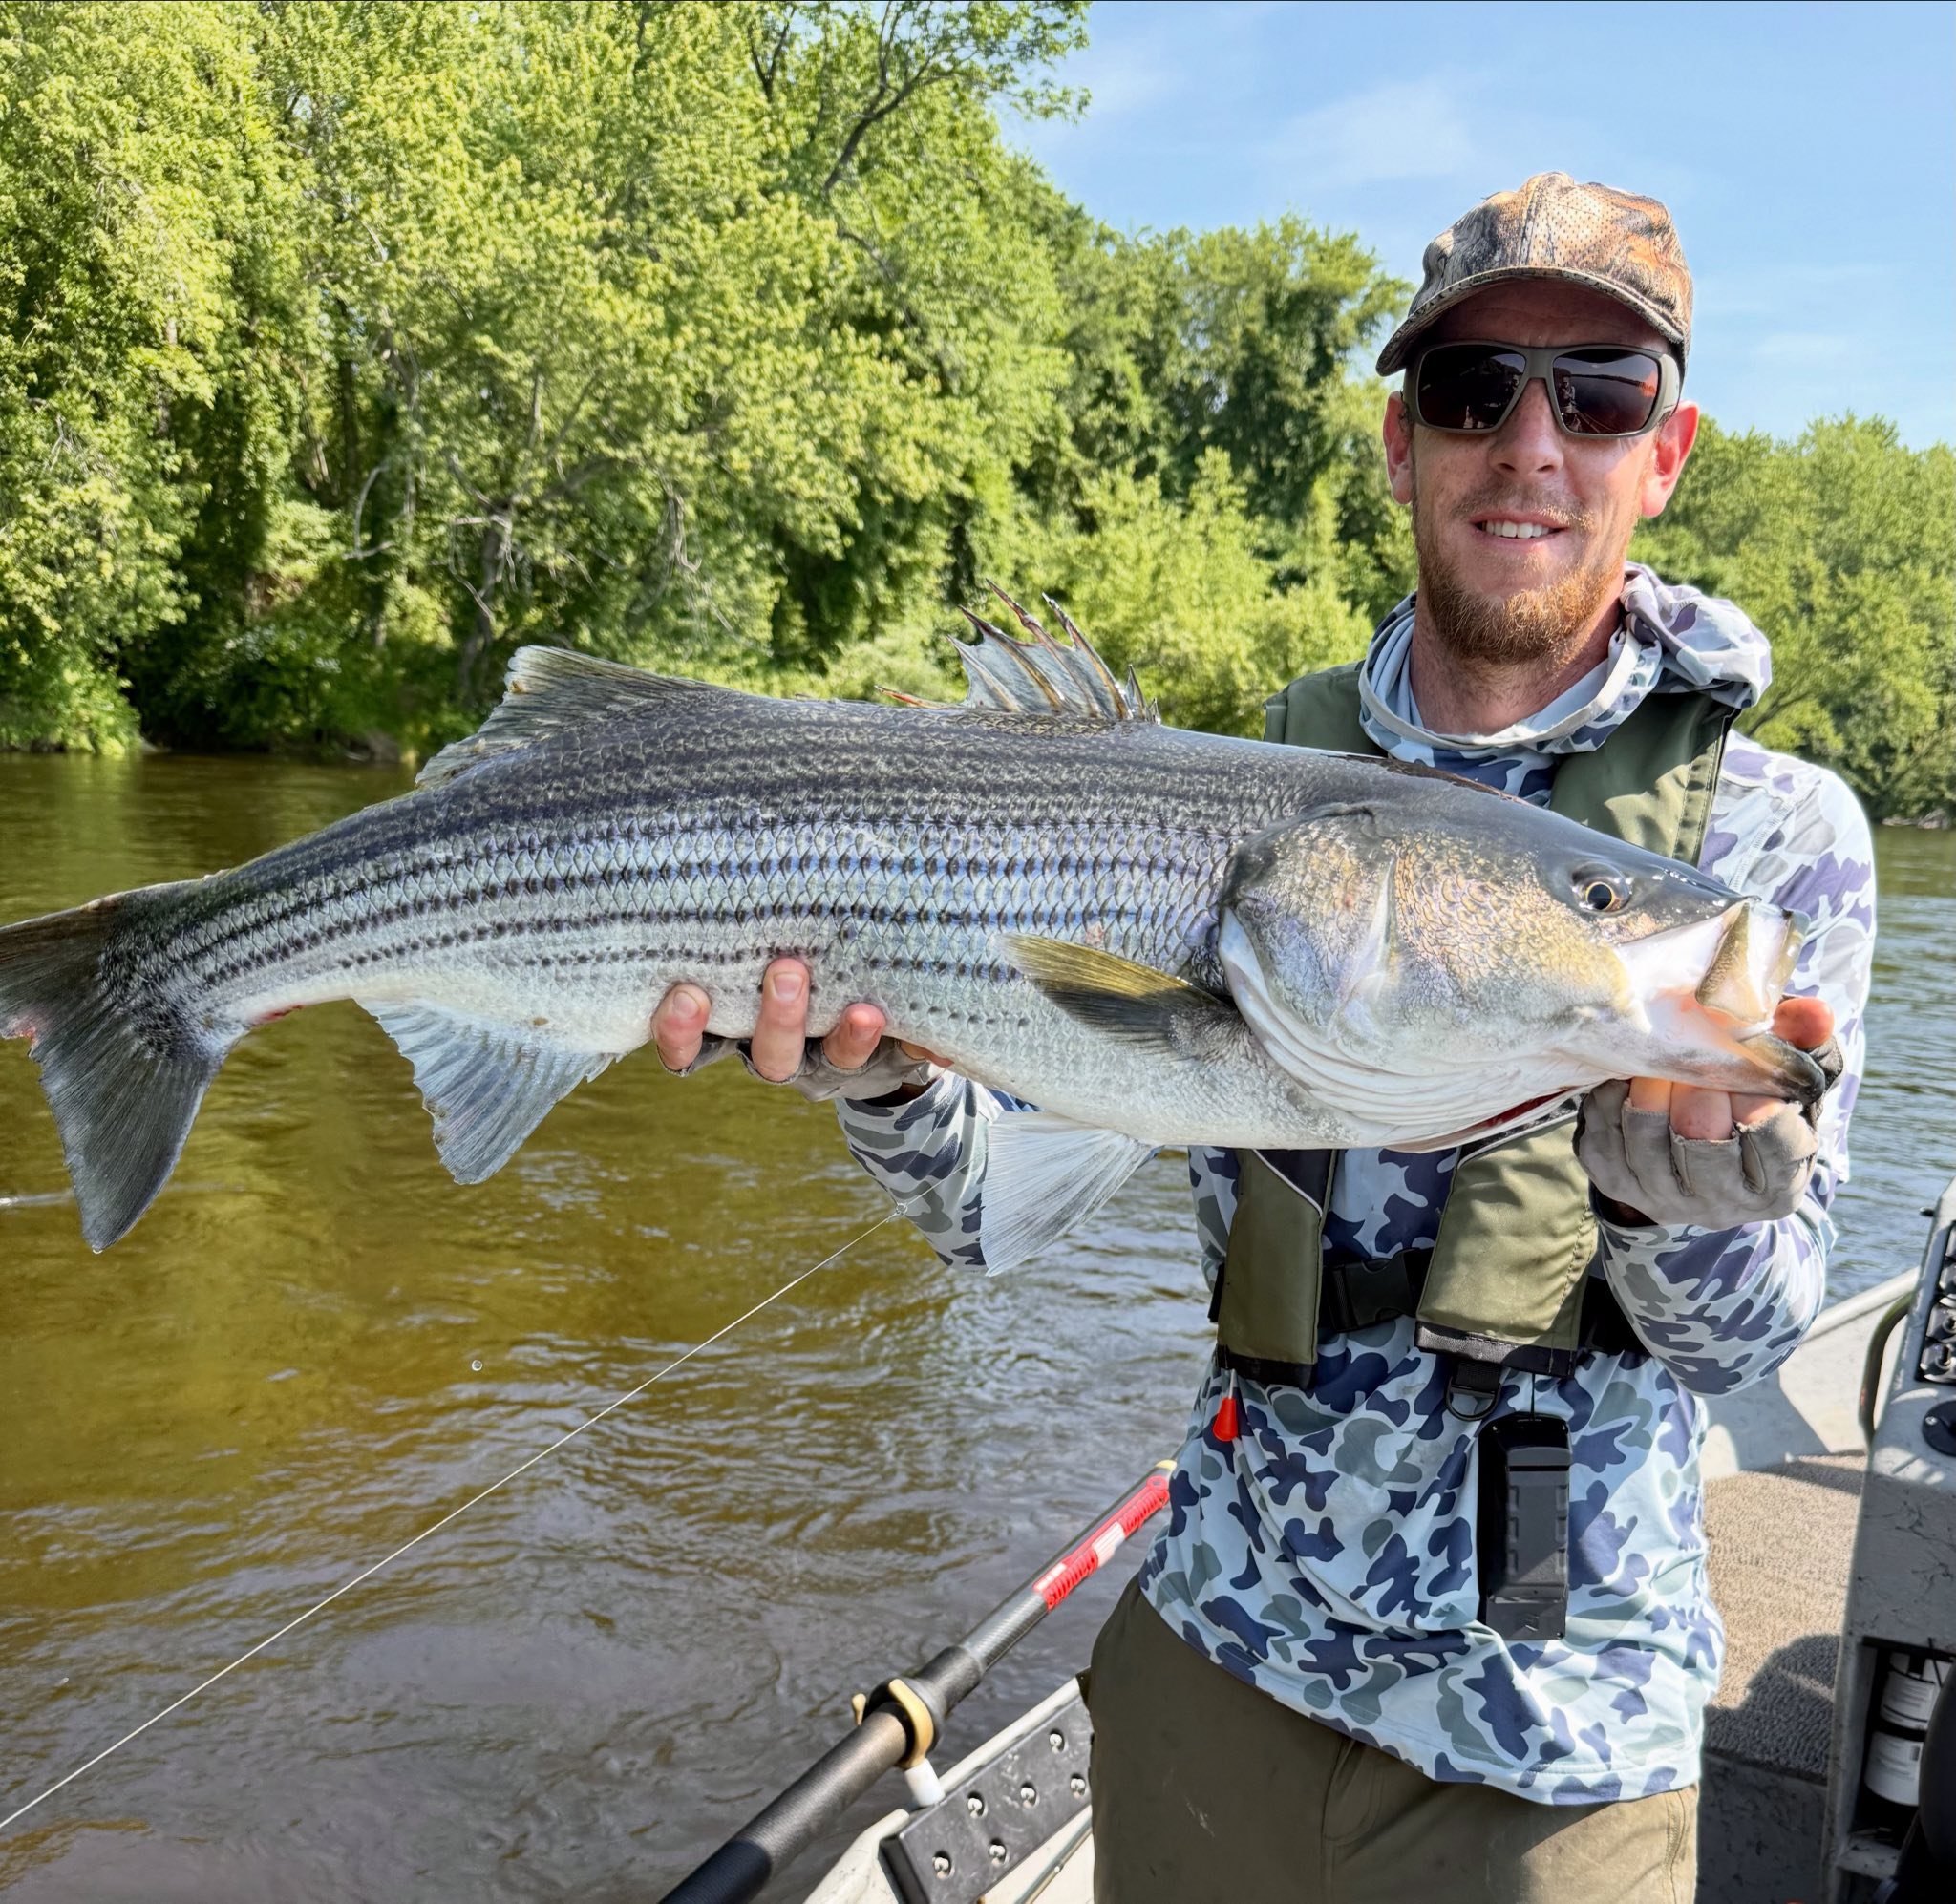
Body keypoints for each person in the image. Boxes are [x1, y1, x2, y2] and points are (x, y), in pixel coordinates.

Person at [651, 173, 1875, 1902]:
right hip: (1223, 1653)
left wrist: (1666, 1189)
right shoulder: (1243, 798)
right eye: (1474, 392)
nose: (1531, 443)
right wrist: (896, 1078)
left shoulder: (1762, 847)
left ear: (1663, 453)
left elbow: (1757, 1341)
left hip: (1547, 1733)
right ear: (1403, 446)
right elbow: (993, 1207)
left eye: (1596, 396)